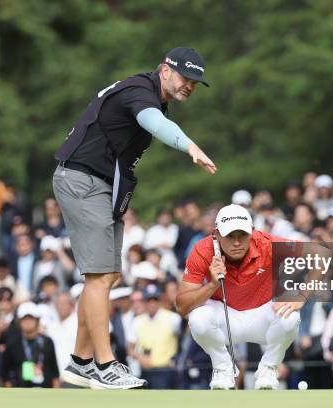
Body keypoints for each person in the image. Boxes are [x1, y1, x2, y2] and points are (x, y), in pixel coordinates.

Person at [53, 46, 215, 390]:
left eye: (196, 82)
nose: (190, 86)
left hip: (102, 187)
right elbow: (153, 123)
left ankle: (81, 362)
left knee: (108, 277)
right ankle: (106, 363)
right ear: (165, 70)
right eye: (186, 77)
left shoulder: (154, 96)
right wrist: (188, 145)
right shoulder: (139, 91)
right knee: (97, 277)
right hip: (82, 180)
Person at [176, 204, 303, 390]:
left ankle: (269, 367)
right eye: (229, 236)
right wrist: (211, 285)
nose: (236, 242)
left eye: (242, 235)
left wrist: (302, 296)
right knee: (197, 318)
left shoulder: (267, 243)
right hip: (224, 318)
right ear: (216, 234)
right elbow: (182, 306)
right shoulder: (202, 250)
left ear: (252, 232)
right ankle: (223, 368)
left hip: (262, 315)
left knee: (290, 316)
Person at [128, 284, 181, 389]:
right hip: (145, 371)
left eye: (155, 299)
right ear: (144, 302)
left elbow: (182, 342)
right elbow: (131, 349)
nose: (152, 303)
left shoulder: (173, 318)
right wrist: (140, 357)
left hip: (166, 371)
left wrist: (176, 359)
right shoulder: (137, 321)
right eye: (148, 300)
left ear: (160, 301)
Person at [2, 302, 60, 388]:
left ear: (37, 320)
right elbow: (5, 373)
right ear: (19, 321)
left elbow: (55, 373)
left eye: (31, 319)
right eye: (25, 319)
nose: (28, 322)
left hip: (45, 392)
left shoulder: (47, 342)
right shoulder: (12, 343)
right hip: (20, 393)